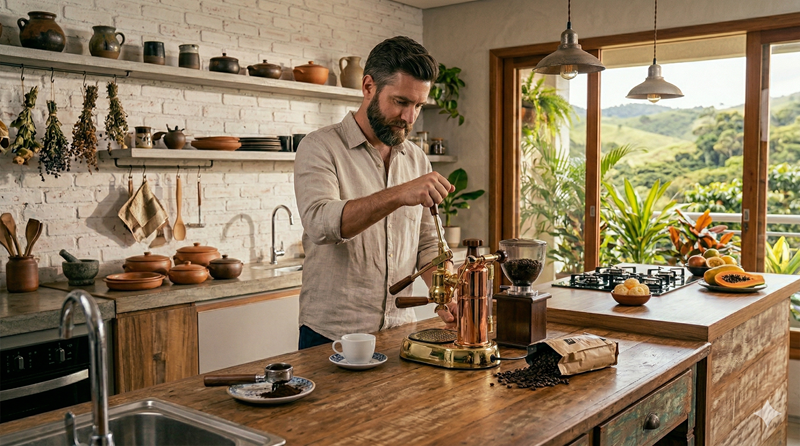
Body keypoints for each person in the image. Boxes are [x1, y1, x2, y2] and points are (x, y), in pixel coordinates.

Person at [293, 36, 458, 350]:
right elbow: (320, 224)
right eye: (401, 102)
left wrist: (446, 292)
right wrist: (398, 194)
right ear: (368, 86)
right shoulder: (320, 147)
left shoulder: (417, 159)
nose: (409, 118)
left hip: (400, 334)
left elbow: (427, 242)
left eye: (419, 106)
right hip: (331, 337)